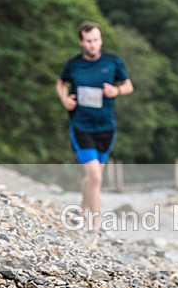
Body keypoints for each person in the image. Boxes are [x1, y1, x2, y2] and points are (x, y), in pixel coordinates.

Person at [56, 21, 133, 229]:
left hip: (106, 128)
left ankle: (82, 211)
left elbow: (128, 85)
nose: (93, 44)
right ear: (82, 42)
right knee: (96, 176)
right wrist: (65, 99)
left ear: (101, 40)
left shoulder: (112, 61)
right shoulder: (73, 64)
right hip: (81, 126)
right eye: (89, 41)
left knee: (93, 176)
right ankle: (96, 225)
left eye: (96, 40)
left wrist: (116, 91)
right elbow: (61, 84)